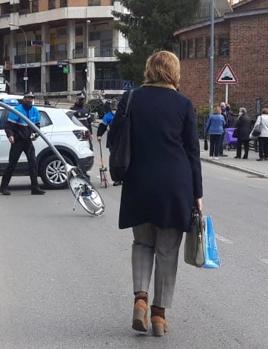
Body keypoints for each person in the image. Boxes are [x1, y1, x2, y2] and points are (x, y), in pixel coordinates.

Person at [111, 51, 203, 337]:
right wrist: (197, 194)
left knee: (142, 244)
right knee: (167, 250)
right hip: (175, 185)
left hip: (139, 182)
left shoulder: (131, 99)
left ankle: (140, 297)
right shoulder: (184, 104)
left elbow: (114, 137)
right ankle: (159, 316)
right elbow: (192, 153)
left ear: (149, 69)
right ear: (174, 72)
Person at [0, 92, 46, 196]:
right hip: (17, 141)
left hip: (28, 141)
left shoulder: (35, 111)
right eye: (28, 98)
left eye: (31, 98)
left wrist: (35, 135)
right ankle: (3, 187)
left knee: (33, 164)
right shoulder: (17, 110)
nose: (30, 100)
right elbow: (9, 126)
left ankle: (35, 188)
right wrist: (10, 136)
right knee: (12, 164)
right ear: (23, 99)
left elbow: (37, 126)